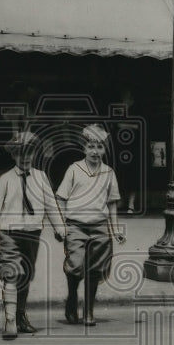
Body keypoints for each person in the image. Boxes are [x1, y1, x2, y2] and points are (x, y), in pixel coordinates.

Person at [0, 131, 66, 339]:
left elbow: (51, 204)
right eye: (19, 154)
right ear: (13, 155)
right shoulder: (5, 179)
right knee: (11, 273)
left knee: (25, 276)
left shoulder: (41, 177)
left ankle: (21, 315)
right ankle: (10, 320)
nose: (24, 158)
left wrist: (60, 228)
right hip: (9, 233)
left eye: (29, 153)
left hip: (32, 233)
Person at [56, 124, 125, 327]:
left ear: (105, 149)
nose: (95, 151)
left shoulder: (108, 173)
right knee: (75, 265)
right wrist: (61, 225)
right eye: (90, 146)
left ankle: (88, 311)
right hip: (75, 226)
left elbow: (112, 203)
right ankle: (71, 299)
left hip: (100, 226)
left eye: (99, 147)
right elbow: (60, 198)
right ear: (83, 148)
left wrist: (116, 229)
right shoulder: (74, 170)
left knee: (95, 269)